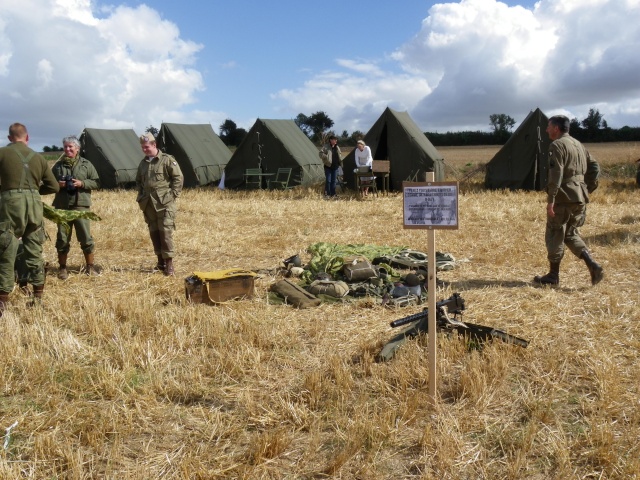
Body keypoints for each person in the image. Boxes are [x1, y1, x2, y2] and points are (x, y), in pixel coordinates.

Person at [534, 115, 603, 286]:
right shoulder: (578, 144)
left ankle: (553, 275)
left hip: (563, 197)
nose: (546, 130)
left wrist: (551, 199)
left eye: (549, 126)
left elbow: (555, 174)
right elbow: (595, 167)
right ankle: (592, 264)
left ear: (556, 128)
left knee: (555, 232)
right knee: (570, 234)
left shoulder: (557, 145)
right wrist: (587, 188)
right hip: (579, 197)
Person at [0, 123, 60, 315]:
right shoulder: (39, 158)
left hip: (11, 205)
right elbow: (54, 187)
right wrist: (34, 191)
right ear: (27, 137)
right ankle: (38, 299)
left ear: (10, 138)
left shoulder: (2, 153)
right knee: (34, 251)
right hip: (34, 205)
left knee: (6, 251)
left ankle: (3, 304)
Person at [51, 136, 101, 279]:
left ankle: (90, 267)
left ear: (77, 148)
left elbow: (97, 183)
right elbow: (48, 183)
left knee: (85, 237)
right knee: (62, 238)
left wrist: (82, 183)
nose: (67, 149)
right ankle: (62, 268)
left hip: (81, 206)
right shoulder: (58, 166)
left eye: (70, 147)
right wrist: (58, 185)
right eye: (65, 147)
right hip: (62, 207)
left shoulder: (86, 164)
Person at [136, 132, 183, 276]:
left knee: (165, 232)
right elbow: (139, 181)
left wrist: (172, 195)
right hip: (148, 204)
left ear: (154, 145)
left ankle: (169, 264)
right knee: (154, 232)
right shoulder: (143, 163)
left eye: (147, 147)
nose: (145, 149)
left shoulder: (167, 160)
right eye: (143, 147)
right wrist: (141, 195)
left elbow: (178, 178)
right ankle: (160, 262)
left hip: (164, 203)